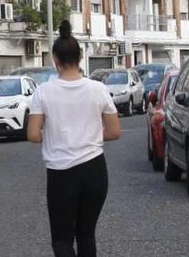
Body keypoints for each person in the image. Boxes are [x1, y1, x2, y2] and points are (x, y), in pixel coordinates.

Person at [26, 21, 121, 257]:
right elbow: (114, 131)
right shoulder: (98, 89)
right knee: (86, 235)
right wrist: (87, 133)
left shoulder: (44, 92)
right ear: (80, 58)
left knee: (62, 238)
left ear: (55, 60)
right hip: (95, 170)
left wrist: (56, 132)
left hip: (61, 173)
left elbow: (33, 135)